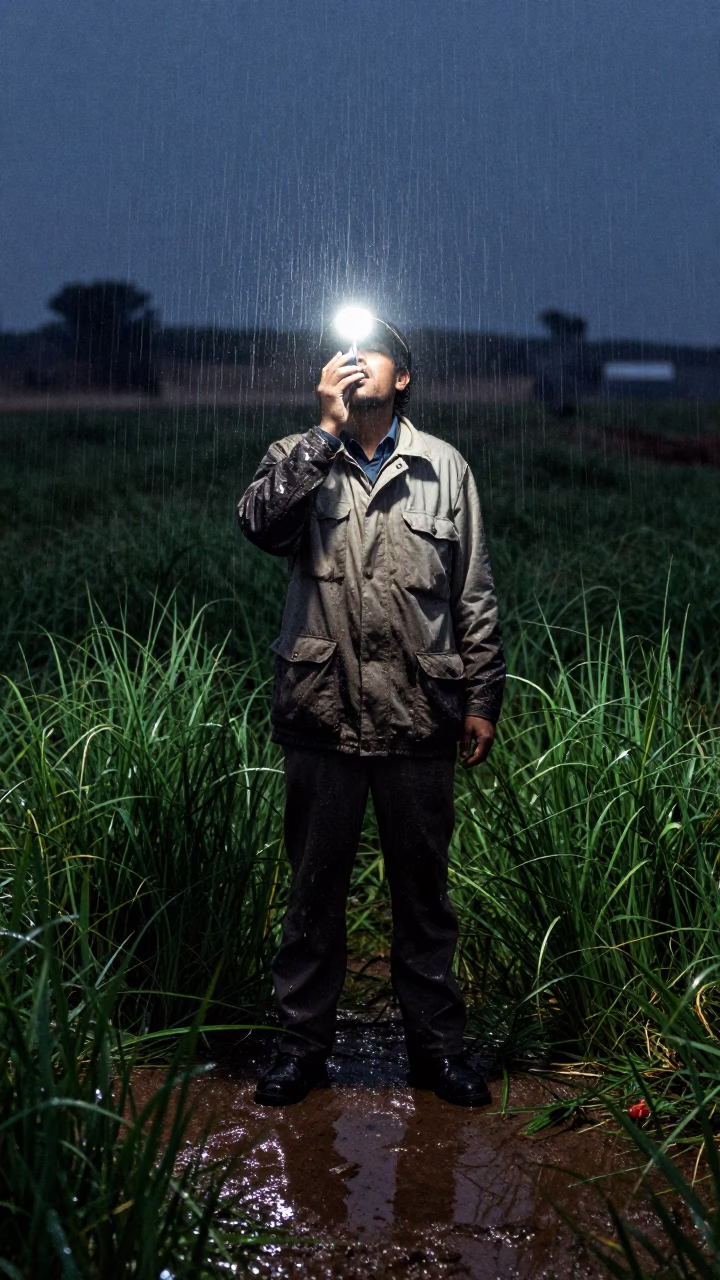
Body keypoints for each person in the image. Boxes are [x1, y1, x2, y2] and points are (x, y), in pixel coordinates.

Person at [237, 313, 505, 1107]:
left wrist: (482, 696)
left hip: (420, 713)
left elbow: (474, 593)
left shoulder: (444, 468)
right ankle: (300, 1051)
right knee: (313, 895)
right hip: (321, 711)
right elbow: (261, 526)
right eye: (344, 350)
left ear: (404, 378)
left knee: (424, 899)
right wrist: (324, 432)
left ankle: (436, 1053)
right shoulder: (297, 455)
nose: (357, 361)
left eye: (374, 352)